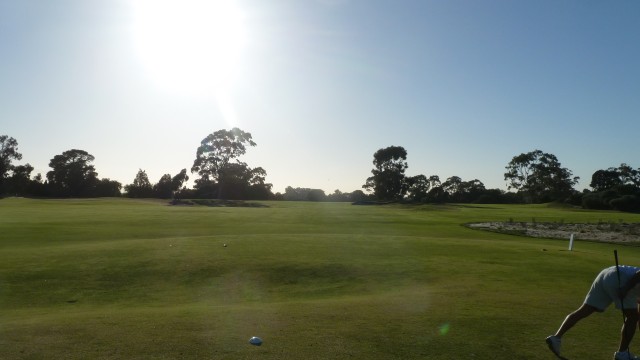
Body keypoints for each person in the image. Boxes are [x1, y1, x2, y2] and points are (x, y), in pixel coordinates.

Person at [546, 265, 640, 360]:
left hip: (606, 274)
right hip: (621, 279)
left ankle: (556, 338)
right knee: (632, 317)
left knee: (585, 310)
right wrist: (626, 288)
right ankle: (622, 354)